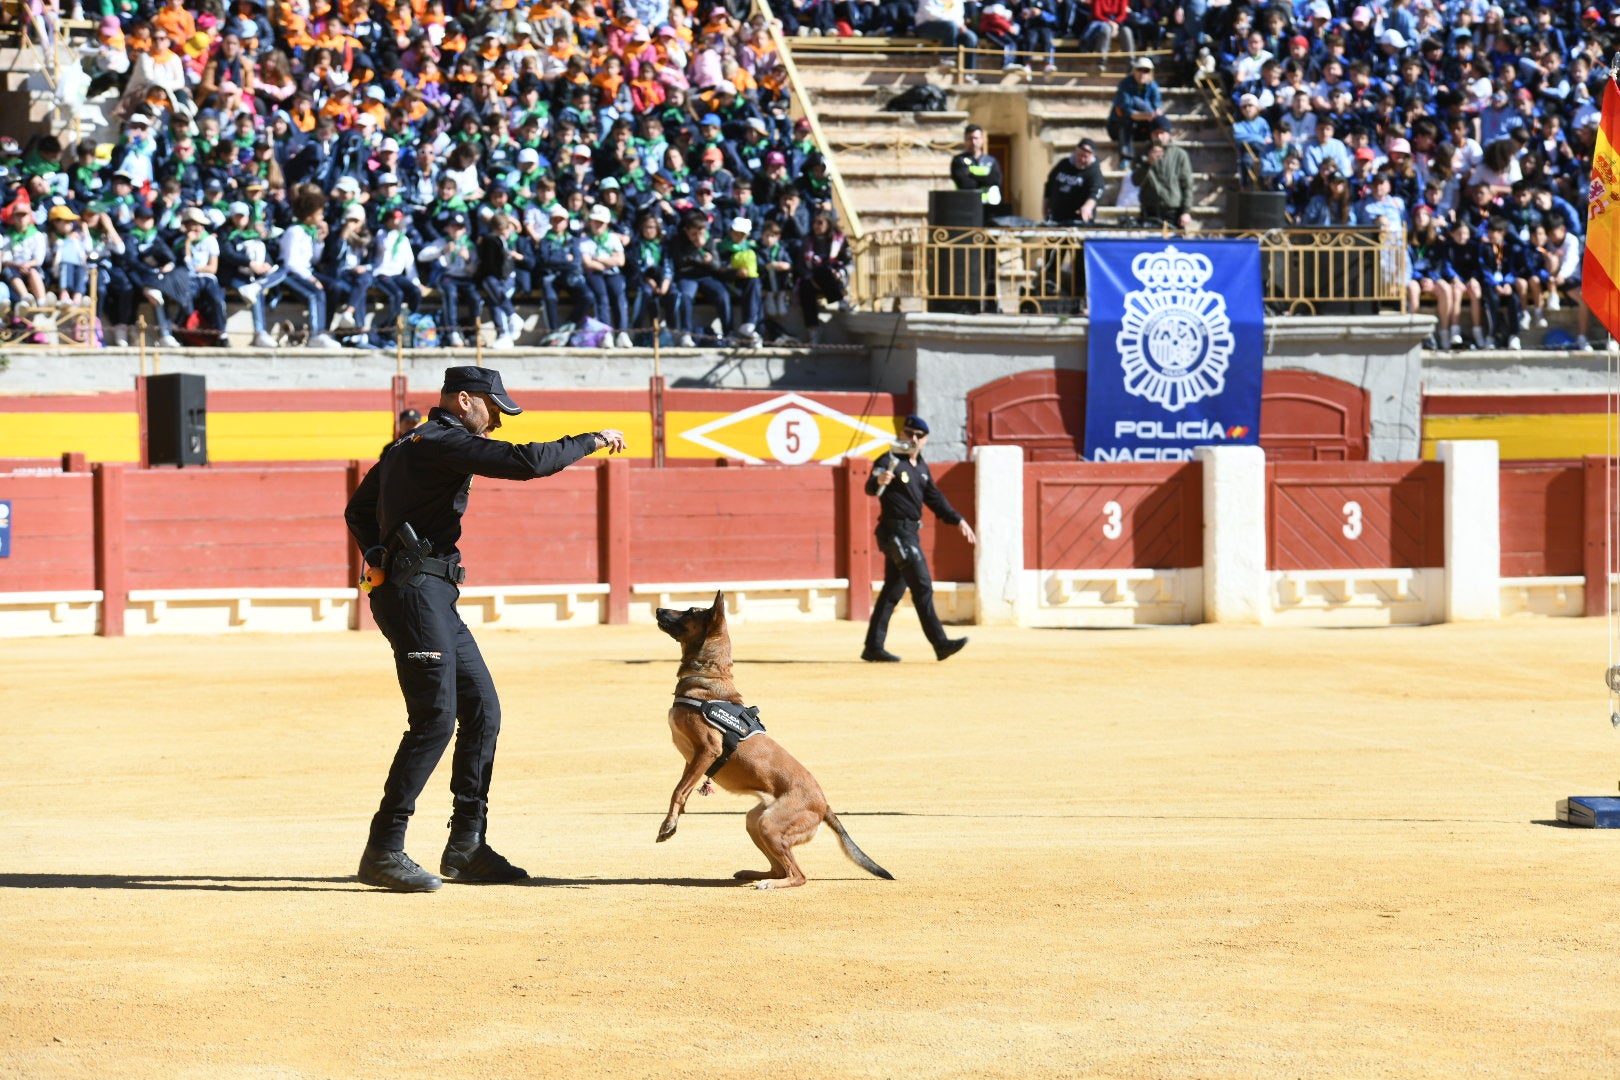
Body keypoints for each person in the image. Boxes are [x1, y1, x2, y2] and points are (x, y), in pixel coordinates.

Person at [344, 366, 628, 892]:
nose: (497, 422)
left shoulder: (409, 442)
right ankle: (384, 849)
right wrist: (591, 438)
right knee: (435, 718)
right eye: (494, 411)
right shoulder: (439, 440)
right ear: (465, 400)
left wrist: (377, 550)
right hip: (415, 594)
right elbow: (527, 463)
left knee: (481, 711)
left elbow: (357, 509)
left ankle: (467, 845)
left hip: (430, 592)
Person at [861, 414, 976, 664]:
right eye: (909, 434)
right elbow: (871, 486)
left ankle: (873, 647)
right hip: (895, 532)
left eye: (918, 436)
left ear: (925, 440)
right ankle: (940, 643)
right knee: (922, 584)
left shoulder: (921, 467)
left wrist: (957, 519)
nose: (913, 439)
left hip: (909, 532)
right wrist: (878, 481)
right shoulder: (889, 459)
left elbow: (934, 498)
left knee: (893, 591)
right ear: (902, 434)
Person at [1131, 116, 1193, 229]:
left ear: (1169, 134)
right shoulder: (1142, 154)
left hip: (1172, 212)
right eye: (1155, 133)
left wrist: (1186, 211)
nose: (1159, 137)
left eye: (1162, 133)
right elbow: (1135, 181)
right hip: (1149, 211)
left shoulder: (1179, 155)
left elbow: (1187, 185)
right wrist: (1148, 163)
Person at [1043, 137, 1105, 224]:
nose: (1082, 159)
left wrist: (1088, 206)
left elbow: (1096, 191)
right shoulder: (1063, 164)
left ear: (1092, 156)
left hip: (1078, 222)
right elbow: (1049, 185)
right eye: (1080, 155)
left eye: (1085, 157)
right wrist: (1045, 206)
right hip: (1056, 219)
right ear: (1075, 151)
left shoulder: (1094, 172)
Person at [950, 124, 1003, 211]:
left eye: (976, 138)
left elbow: (996, 181)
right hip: (966, 206)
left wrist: (972, 175)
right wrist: (985, 180)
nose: (973, 142)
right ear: (965, 140)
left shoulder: (991, 161)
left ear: (982, 139)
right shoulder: (958, 161)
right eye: (970, 139)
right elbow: (965, 184)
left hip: (989, 207)